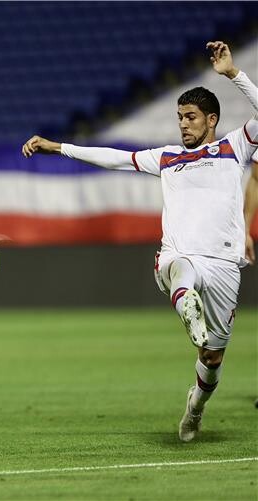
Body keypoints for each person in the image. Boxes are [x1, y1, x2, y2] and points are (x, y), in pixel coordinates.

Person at [22, 41, 257, 442]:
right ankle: (184, 299)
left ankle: (194, 409)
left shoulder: (234, 146)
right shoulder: (166, 157)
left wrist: (234, 74)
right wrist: (59, 147)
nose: (183, 124)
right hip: (181, 255)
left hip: (223, 264)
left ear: (211, 119)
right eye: (179, 117)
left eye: (191, 117)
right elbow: (114, 157)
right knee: (173, 264)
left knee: (212, 358)